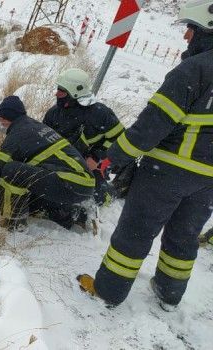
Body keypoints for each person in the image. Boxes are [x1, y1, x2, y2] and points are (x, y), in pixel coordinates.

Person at [77, 0, 213, 310]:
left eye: (191, 29)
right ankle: (169, 293)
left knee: (135, 231)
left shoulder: (194, 69)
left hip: (167, 171)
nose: (186, 37)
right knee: (185, 234)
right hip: (208, 180)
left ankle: (108, 292)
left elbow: (150, 126)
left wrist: (114, 158)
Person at [0, 96, 95, 231]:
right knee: (27, 183)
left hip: (70, 183)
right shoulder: (34, 126)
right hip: (82, 183)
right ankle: (73, 214)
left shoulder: (16, 136)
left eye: (0, 118)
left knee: (10, 170)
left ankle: (13, 222)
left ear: (8, 118)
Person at [43, 68, 125, 205]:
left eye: (61, 91)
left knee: (100, 198)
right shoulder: (54, 113)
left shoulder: (99, 113)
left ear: (75, 93)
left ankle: (115, 191)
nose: (56, 94)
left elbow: (119, 137)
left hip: (93, 163)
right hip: (64, 161)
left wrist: (96, 157)